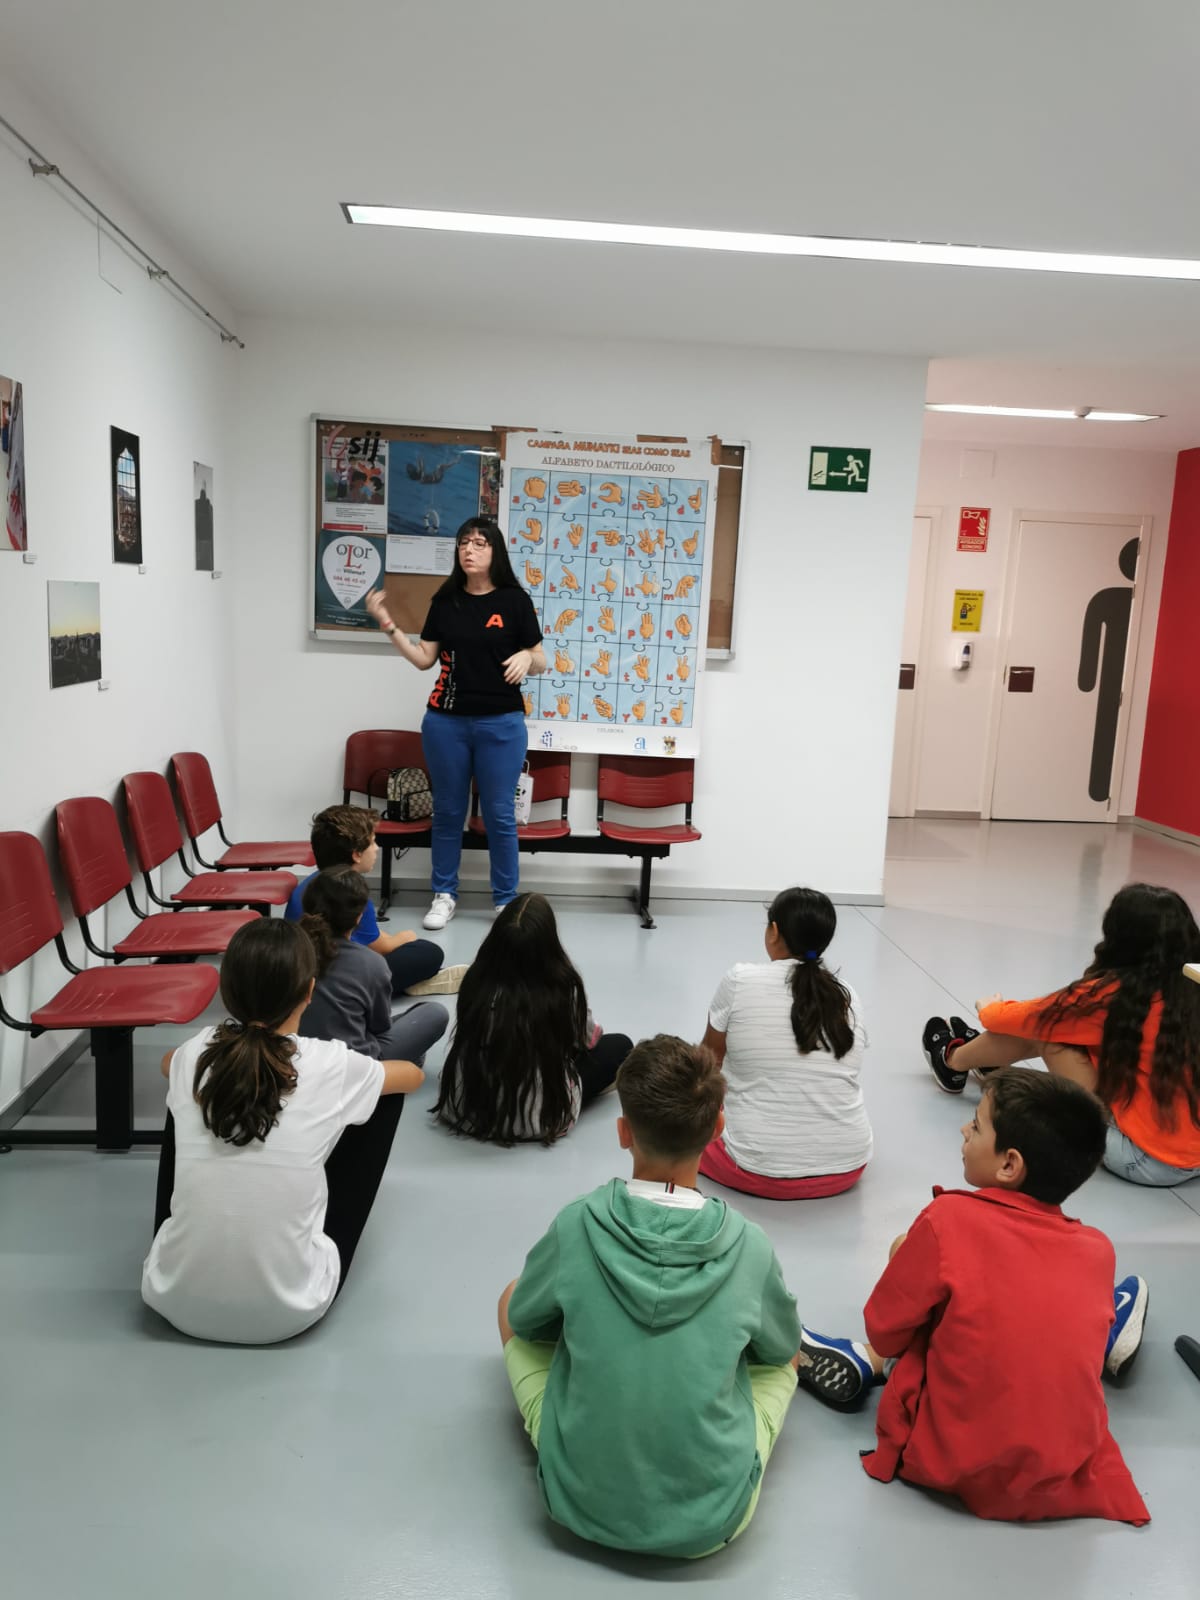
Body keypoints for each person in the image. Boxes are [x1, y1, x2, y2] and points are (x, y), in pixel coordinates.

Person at [497, 1035, 841, 1557]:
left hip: (574, 1502)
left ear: (622, 1133)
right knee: (786, 1354)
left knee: (510, 1299)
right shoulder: (749, 1245)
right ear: (717, 1130)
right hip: (714, 1520)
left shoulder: (575, 1225)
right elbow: (776, 1349)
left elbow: (525, 1320)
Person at [796, 1068, 1150, 1524]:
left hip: (952, 1457)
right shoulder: (1098, 1248)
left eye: (978, 1125)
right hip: (1058, 1466)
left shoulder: (948, 1220)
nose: (964, 1128)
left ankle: (864, 1363)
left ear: (1009, 1164)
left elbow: (886, 1330)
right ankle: (1111, 1324)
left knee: (907, 1255)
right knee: (1045, 1309)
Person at [142, 919, 424, 1344]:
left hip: (171, 1297)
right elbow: (412, 1076)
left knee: (190, 1093)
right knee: (383, 1097)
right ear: (310, 992)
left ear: (226, 993)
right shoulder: (330, 1062)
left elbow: (169, 1063)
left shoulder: (195, 1054)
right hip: (288, 1311)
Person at [922, 882, 1200, 1186]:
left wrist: (989, 1006)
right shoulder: (1191, 987)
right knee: (1080, 1034)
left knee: (1051, 1031)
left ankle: (952, 1061)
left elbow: (1031, 1017)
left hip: (1142, 1158)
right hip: (1193, 1155)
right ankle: (982, 1062)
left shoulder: (1115, 994)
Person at [365, 516, 546, 928]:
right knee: (448, 812)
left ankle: (505, 901)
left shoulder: (515, 601)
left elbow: (540, 658)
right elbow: (424, 659)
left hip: (502, 723)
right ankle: (444, 894)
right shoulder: (445, 601)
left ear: (494, 551)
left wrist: (526, 657)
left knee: (500, 814)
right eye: (464, 542)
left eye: (480, 543)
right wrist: (389, 626)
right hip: (446, 723)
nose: (469, 549)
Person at [699, 887, 871, 1198]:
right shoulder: (847, 994)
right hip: (846, 1166)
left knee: (673, 1128)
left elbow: (707, 1062)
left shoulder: (739, 979)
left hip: (755, 1168)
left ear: (774, 932)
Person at [433, 892, 631, 1145]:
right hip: (537, 1116)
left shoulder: (476, 980)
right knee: (621, 1047)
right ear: (550, 944)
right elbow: (588, 1041)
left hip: (468, 1108)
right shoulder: (562, 988)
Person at [284, 804, 464, 997]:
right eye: (373, 842)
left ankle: (410, 982)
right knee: (429, 952)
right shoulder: (351, 891)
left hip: (301, 976)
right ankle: (405, 984)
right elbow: (380, 947)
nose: (377, 849)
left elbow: (370, 936)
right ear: (356, 854)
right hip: (342, 981)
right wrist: (406, 937)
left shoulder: (309, 885)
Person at [298, 866, 450, 1066]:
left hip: (299, 1055)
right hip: (357, 1065)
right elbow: (379, 1027)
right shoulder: (370, 962)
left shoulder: (289, 951)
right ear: (360, 917)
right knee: (434, 1013)